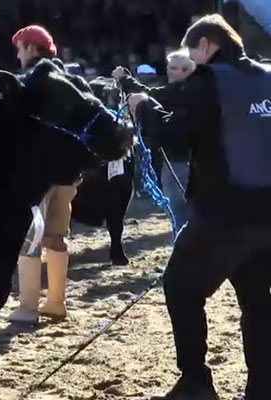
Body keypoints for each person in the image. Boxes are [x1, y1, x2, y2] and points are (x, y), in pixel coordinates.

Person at [128, 14, 271, 400]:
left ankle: (196, 381)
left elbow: (173, 135)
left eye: (193, 52)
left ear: (207, 45)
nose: (191, 61)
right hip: (267, 214)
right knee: (258, 301)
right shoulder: (268, 76)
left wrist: (142, 107)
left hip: (224, 213)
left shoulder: (209, 81)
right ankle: (263, 387)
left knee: (181, 286)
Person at [8, 25, 78, 323]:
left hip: (39, 173)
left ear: (32, 47)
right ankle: (56, 303)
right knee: (57, 236)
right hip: (68, 173)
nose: (18, 53)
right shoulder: (72, 80)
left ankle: (27, 308)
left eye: (20, 47)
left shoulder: (32, 82)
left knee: (31, 237)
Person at [112, 51, 195, 231]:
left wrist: (124, 79)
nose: (176, 72)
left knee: (181, 216)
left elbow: (147, 94)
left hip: (180, 163)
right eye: (172, 68)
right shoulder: (199, 91)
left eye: (182, 68)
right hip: (188, 162)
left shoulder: (178, 91)